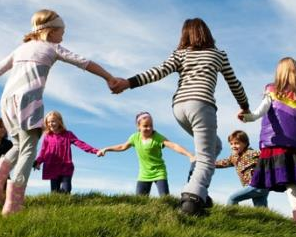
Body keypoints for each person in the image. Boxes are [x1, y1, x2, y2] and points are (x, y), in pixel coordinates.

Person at [0, 9, 120, 216]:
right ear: (49, 31)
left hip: (6, 101)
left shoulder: (20, 49)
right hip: (29, 99)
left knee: (19, 144)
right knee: (29, 148)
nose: (63, 36)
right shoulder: (53, 47)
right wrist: (108, 77)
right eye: (61, 32)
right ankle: (14, 203)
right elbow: (85, 63)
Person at [111, 18, 249, 215]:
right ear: (207, 33)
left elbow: (157, 72)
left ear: (184, 35)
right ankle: (192, 198)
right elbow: (235, 83)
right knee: (206, 156)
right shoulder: (218, 54)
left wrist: (128, 83)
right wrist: (245, 106)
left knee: (214, 146)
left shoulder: (181, 54)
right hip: (201, 105)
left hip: (179, 108)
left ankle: (197, 185)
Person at [239, 57, 296, 226]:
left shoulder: (273, 91)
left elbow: (258, 113)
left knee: (290, 183)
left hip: (276, 145)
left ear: (279, 73)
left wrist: (246, 117)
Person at [98, 112, 194, 197]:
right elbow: (122, 147)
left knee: (166, 199)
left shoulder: (157, 137)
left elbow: (173, 146)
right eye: (145, 126)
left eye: (151, 125)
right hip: (144, 174)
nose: (149, 128)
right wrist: (106, 149)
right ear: (138, 127)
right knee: (139, 202)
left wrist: (190, 155)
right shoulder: (134, 138)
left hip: (159, 172)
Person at [34, 111, 101, 194]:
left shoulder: (68, 134)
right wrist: (38, 162)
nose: (51, 124)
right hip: (52, 167)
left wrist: (95, 151)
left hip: (65, 166)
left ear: (59, 121)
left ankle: (66, 201)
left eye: (53, 121)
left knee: (66, 190)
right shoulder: (47, 137)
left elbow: (80, 143)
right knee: (55, 192)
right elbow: (43, 152)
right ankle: (57, 205)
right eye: (48, 122)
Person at [216, 130, 268, 208]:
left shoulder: (253, 153)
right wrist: (205, 162)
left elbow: (268, 159)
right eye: (231, 144)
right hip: (255, 187)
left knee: (232, 198)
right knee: (260, 208)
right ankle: (265, 219)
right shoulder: (234, 158)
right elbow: (222, 163)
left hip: (258, 185)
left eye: (236, 143)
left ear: (245, 143)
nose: (233, 146)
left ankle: (231, 218)